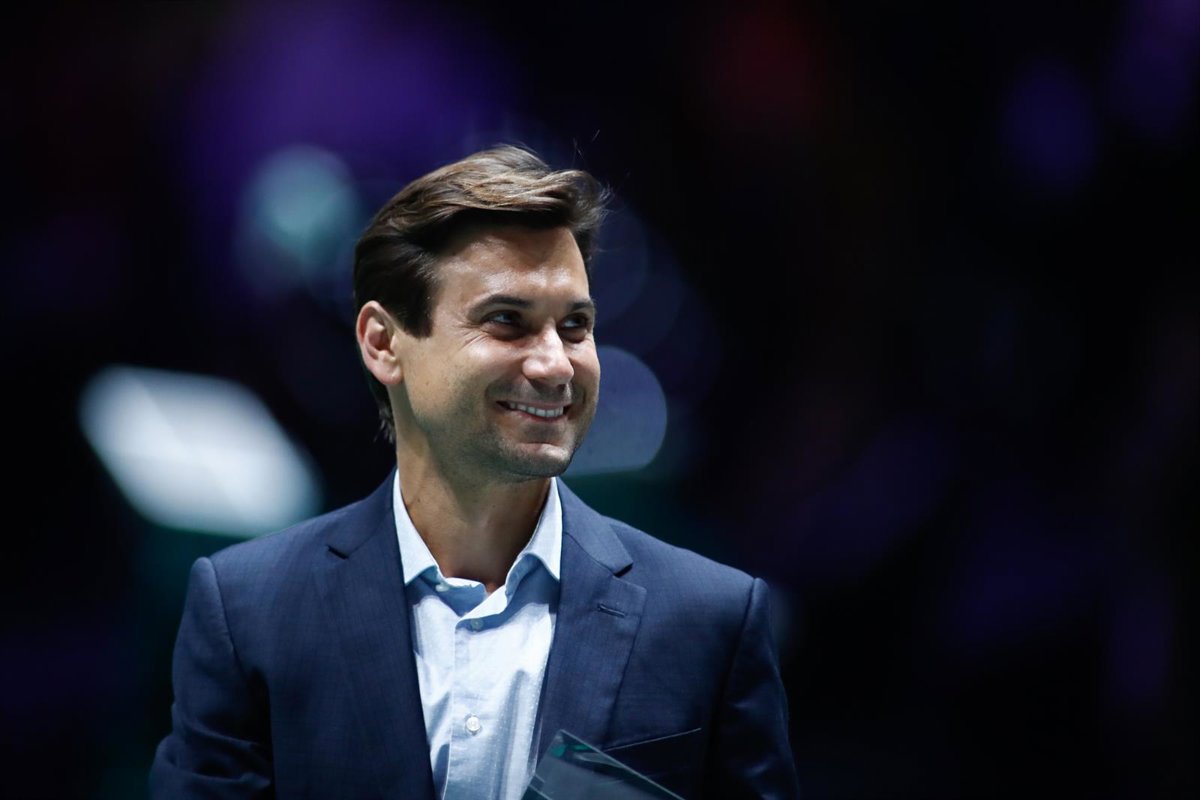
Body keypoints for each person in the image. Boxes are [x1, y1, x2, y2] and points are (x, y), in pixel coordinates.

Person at [149, 145, 799, 799]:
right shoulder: (249, 613)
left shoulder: (708, 621)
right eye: (507, 322)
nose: (556, 364)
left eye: (576, 325)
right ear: (383, 343)